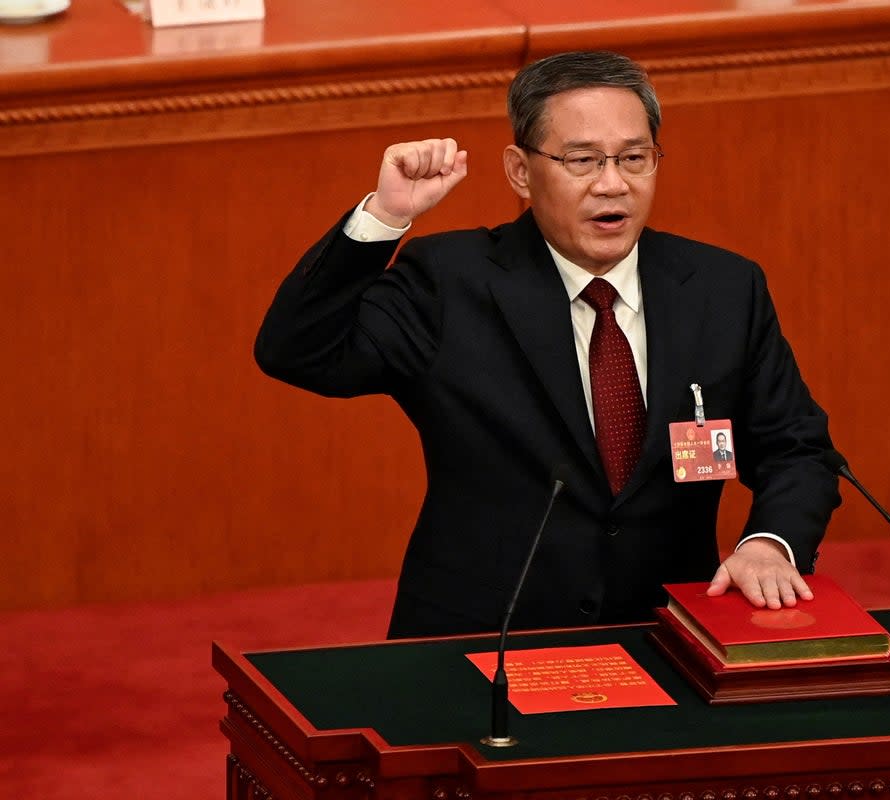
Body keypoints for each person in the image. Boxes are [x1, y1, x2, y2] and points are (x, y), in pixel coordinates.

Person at [255, 50, 840, 639]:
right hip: (485, 643)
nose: (612, 184)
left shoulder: (721, 289)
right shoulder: (450, 282)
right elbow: (298, 351)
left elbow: (796, 448)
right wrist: (384, 217)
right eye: (581, 160)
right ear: (520, 171)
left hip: (669, 636)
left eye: (635, 158)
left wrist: (771, 544)